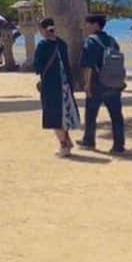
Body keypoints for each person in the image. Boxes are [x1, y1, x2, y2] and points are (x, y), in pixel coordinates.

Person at [32, 17, 81, 157]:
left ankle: (64, 145)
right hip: (66, 84)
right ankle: (67, 141)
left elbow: (38, 67)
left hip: (51, 84)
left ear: (42, 30)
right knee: (64, 114)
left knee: (54, 116)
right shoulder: (62, 44)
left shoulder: (43, 45)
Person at [77, 14, 125, 153]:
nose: (85, 27)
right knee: (116, 115)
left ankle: (89, 140)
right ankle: (119, 145)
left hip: (97, 83)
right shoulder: (112, 41)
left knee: (91, 114)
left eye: (88, 24)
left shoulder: (91, 41)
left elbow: (88, 65)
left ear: (96, 25)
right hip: (114, 82)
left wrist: (86, 84)